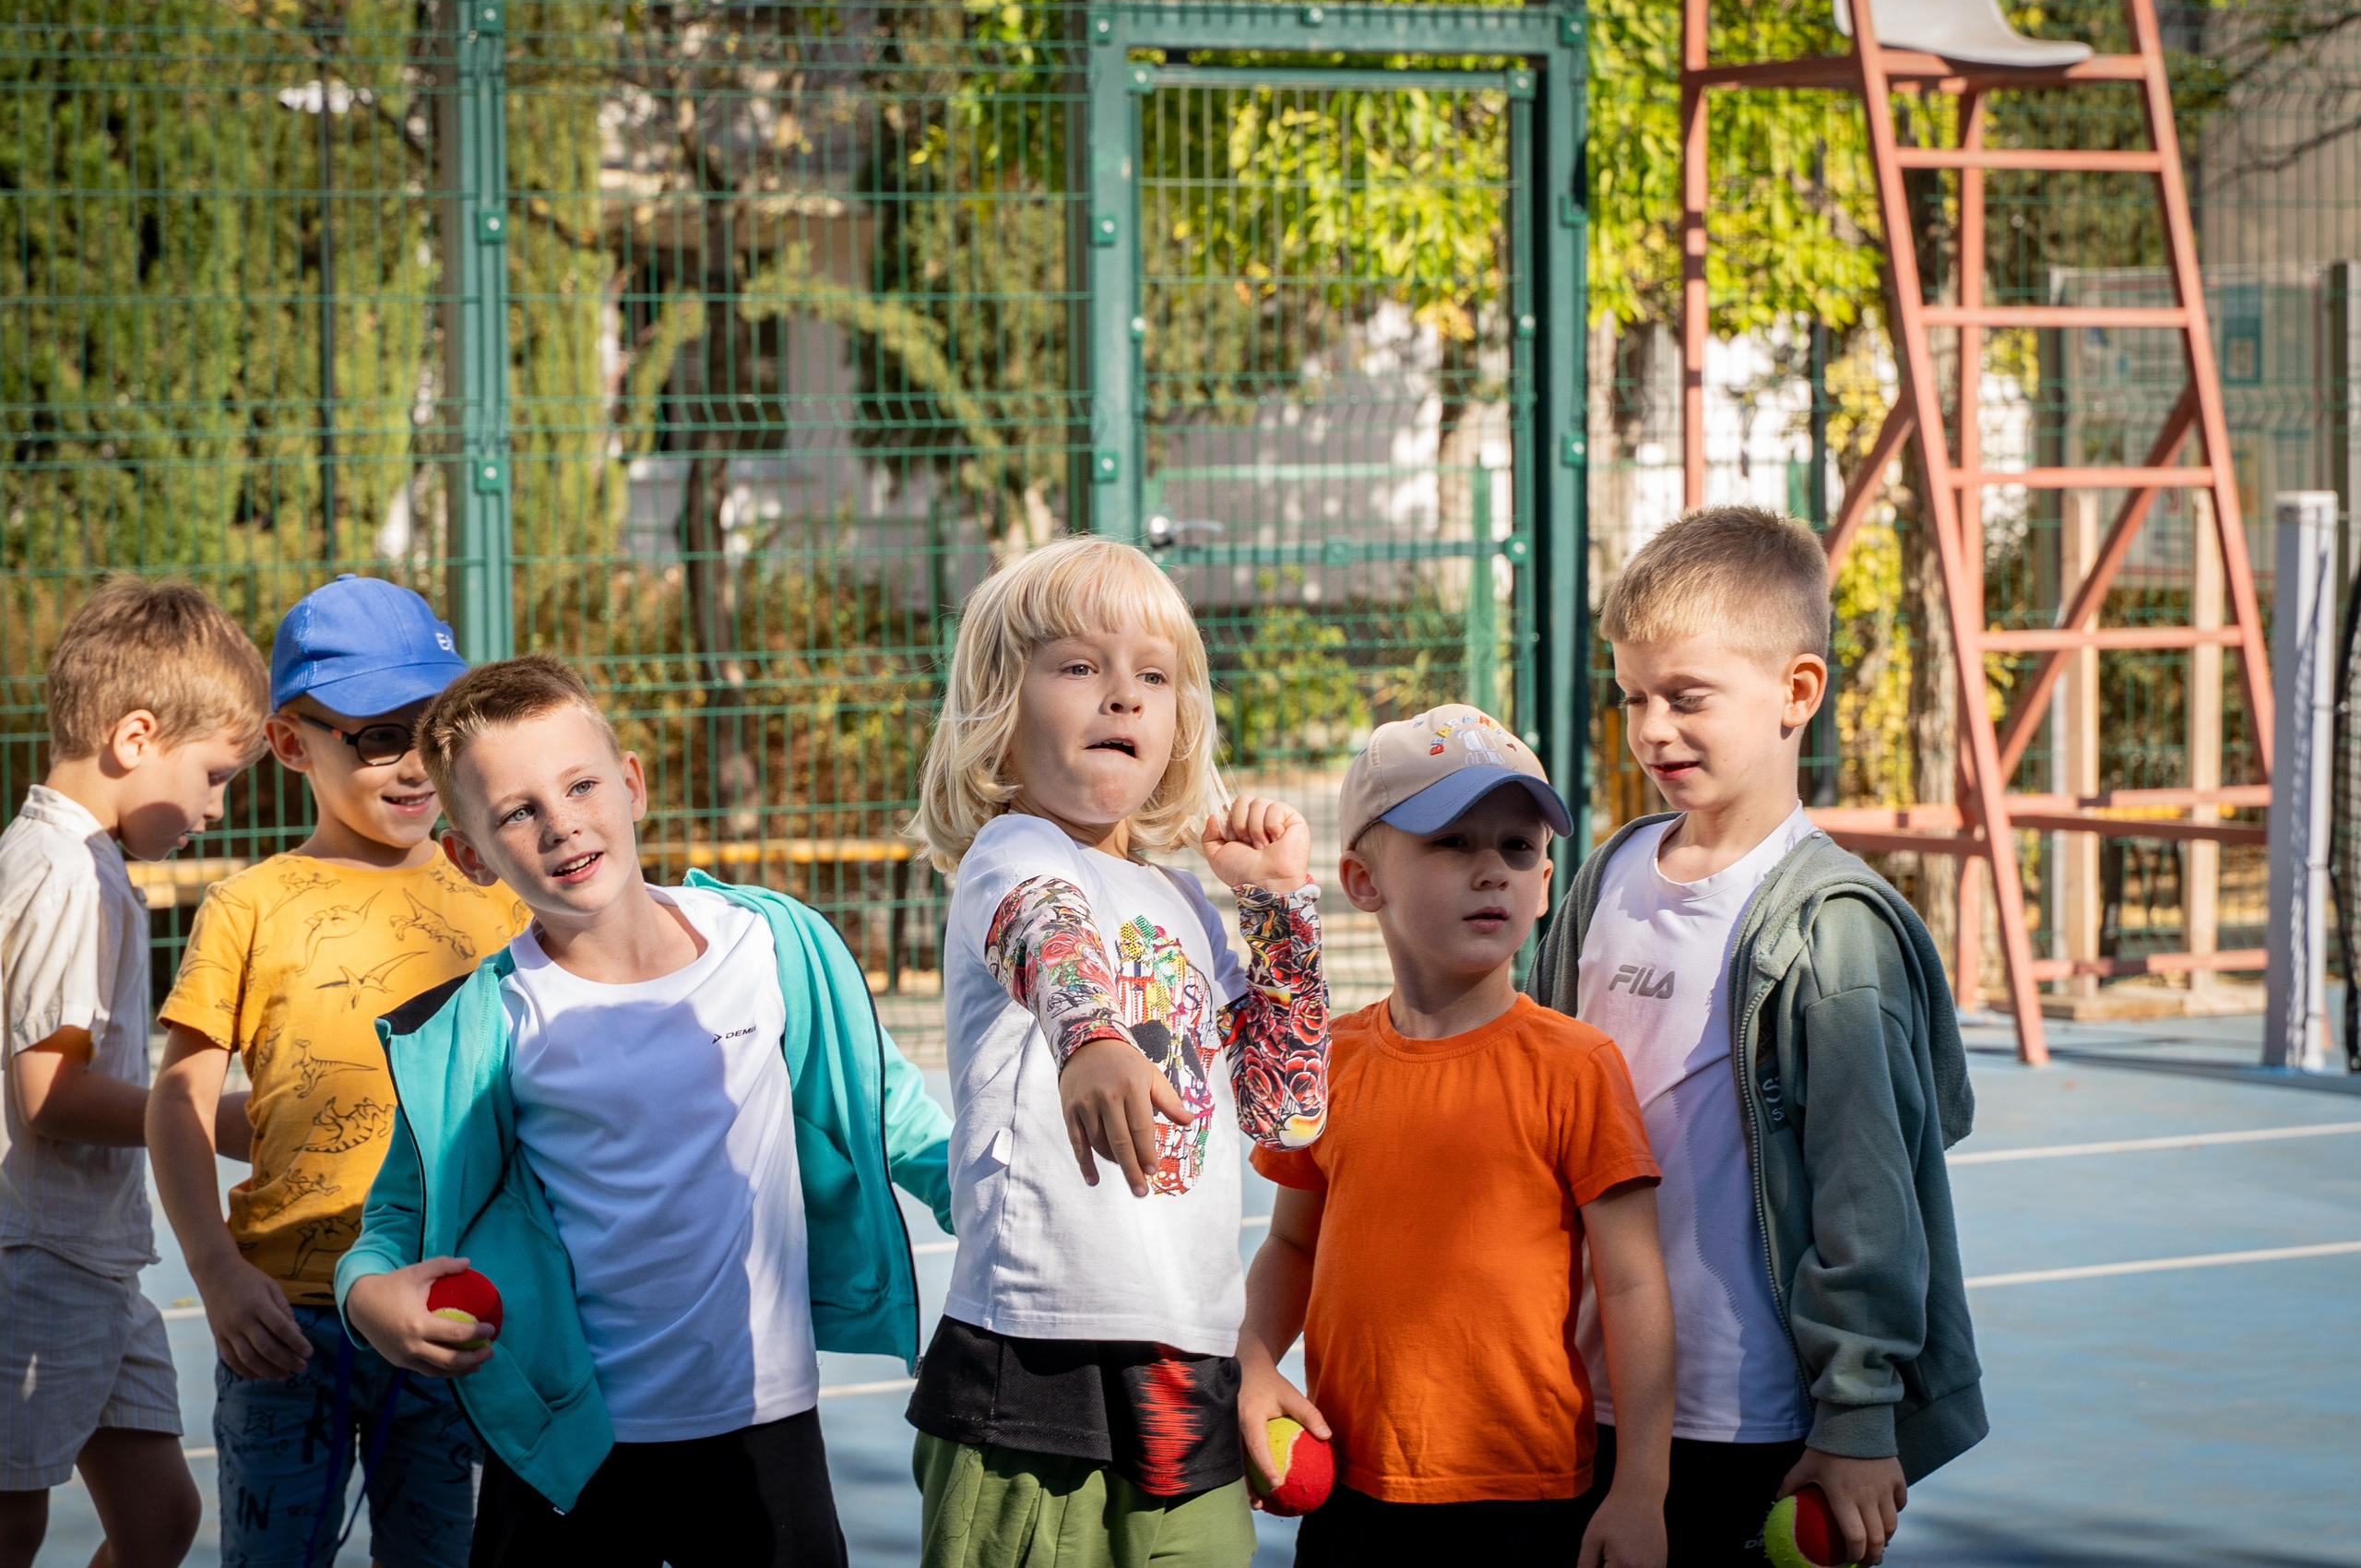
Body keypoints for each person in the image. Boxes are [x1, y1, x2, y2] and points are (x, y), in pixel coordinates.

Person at [336, 654, 954, 1568]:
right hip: (570, 1442)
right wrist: (371, 1299)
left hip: (761, 1424)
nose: (562, 825)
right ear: (469, 855)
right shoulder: (486, 1023)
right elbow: (389, 1225)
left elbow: (896, 1121)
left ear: (631, 784)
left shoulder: (770, 948)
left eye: (581, 785)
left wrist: (996, 1200)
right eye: (518, 811)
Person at [1525, 505, 1987, 1568]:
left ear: (1796, 693)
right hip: (1579, 1395)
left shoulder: (1831, 934)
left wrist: (1858, 1417)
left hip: (1746, 1416)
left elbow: (1867, 1197)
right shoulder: (1607, 876)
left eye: (1687, 698)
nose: (1651, 730)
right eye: (1634, 696)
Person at [901, 535, 1329, 1568]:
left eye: (1153, 676)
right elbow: (1045, 936)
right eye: (1080, 667)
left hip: (1188, 1358)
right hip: (1033, 1359)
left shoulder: (1185, 901)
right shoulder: (1013, 853)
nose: (1122, 697)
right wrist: (1090, 1039)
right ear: (1001, 717)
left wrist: (1277, 909)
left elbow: (1289, 1109)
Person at [1238, 705, 1676, 1567]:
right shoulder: (1329, 1059)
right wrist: (1252, 1363)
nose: (1492, 872)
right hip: (1354, 1494)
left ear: (1546, 882)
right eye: (1451, 842)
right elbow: (1292, 1243)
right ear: (1363, 880)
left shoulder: (1577, 1065)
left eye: (1518, 848)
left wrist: (1641, 1489)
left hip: (1530, 1503)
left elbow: (1631, 1286)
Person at [147, 575, 527, 1568]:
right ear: (288, 742)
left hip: (453, 1311)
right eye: (375, 736)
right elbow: (179, 1101)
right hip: (284, 1327)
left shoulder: (503, 896)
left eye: (431, 727)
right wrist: (217, 1273)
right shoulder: (247, 907)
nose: (413, 765)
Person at [2, 577, 268, 1568]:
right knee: (12, 1515)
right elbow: (48, 1099)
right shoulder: (68, 872)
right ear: (136, 738)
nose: (216, 805)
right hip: (37, 1263)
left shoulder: (76, 861)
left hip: (94, 1262)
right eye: (213, 775)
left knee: (159, 1521)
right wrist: (208, 1118)